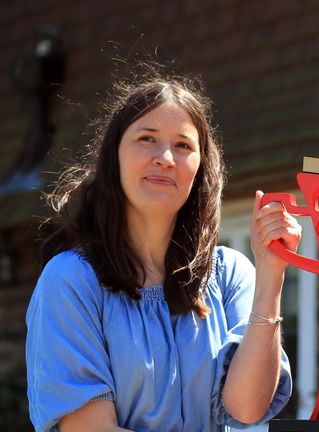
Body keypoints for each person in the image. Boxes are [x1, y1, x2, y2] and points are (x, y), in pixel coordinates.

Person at [26, 75, 297, 431]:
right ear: (114, 158)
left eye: (183, 146)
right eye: (146, 139)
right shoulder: (70, 282)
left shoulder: (232, 274)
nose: (166, 158)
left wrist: (271, 276)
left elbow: (246, 409)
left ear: (201, 167)